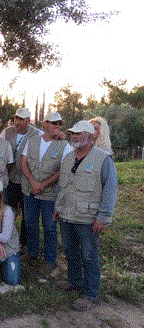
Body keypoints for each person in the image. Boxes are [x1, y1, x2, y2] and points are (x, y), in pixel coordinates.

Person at [54, 120, 117, 311]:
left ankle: (90, 294)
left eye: (79, 133)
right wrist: (57, 207)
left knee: (89, 256)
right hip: (67, 214)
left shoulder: (103, 159)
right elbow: (62, 186)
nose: (74, 136)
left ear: (89, 137)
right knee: (70, 251)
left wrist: (103, 217)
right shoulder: (68, 157)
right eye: (72, 133)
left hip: (88, 218)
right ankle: (74, 281)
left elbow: (110, 189)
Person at [20, 112, 72, 275]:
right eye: (54, 123)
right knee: (29, 223)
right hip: (30, 191)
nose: (57, 126)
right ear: (44, 124)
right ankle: (33, 253)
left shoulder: (65, 146)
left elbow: (62, 170)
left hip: (49, 194)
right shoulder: (32, 140)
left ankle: (50, 260)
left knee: (50, 227)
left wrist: (42, 185)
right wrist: (33, 183)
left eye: (60, 124)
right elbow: (23, 162)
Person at [0, 107, 42, 250]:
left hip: (26, 181)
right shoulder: (7, 131)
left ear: (28, 121)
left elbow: (49, 140)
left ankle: (25, 244)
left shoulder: (37, 134)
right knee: (8, 211)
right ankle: (8, 239)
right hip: (10, 179)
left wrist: (59, 135)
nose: (17, 122)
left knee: (27, 214)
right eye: (16, 119)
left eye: (21, 119)